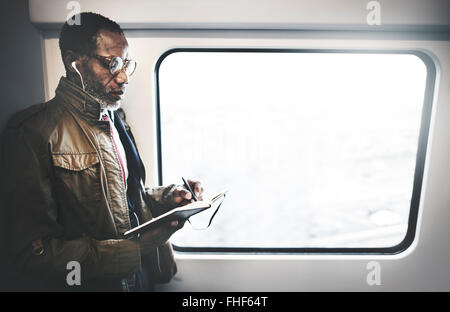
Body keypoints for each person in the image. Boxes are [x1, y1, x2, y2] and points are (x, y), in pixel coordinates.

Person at [0, 12, 203, 291]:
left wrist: (169, 198)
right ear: (75, 63)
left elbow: (126, 199)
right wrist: (133, 250)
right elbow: (33, 253)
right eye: (112, 64)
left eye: (126, 65)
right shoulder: (34, 133)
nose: (123, 78)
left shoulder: (115, 120)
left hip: (138, 282)